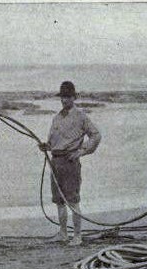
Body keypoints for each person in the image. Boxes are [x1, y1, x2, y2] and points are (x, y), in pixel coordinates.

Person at [39, 81, 101, 246]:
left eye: (67, 97)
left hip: (70, 162)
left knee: (72, 200)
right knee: (58, 200)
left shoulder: (81, 116)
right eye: (62, 97)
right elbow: (52, 143)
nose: (64, 100)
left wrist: (82, 151)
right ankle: (63, 233)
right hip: (55, 162)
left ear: (74, 97)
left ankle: (78, 236)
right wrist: (46, 146)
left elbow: (96, 135)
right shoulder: (56, 118)